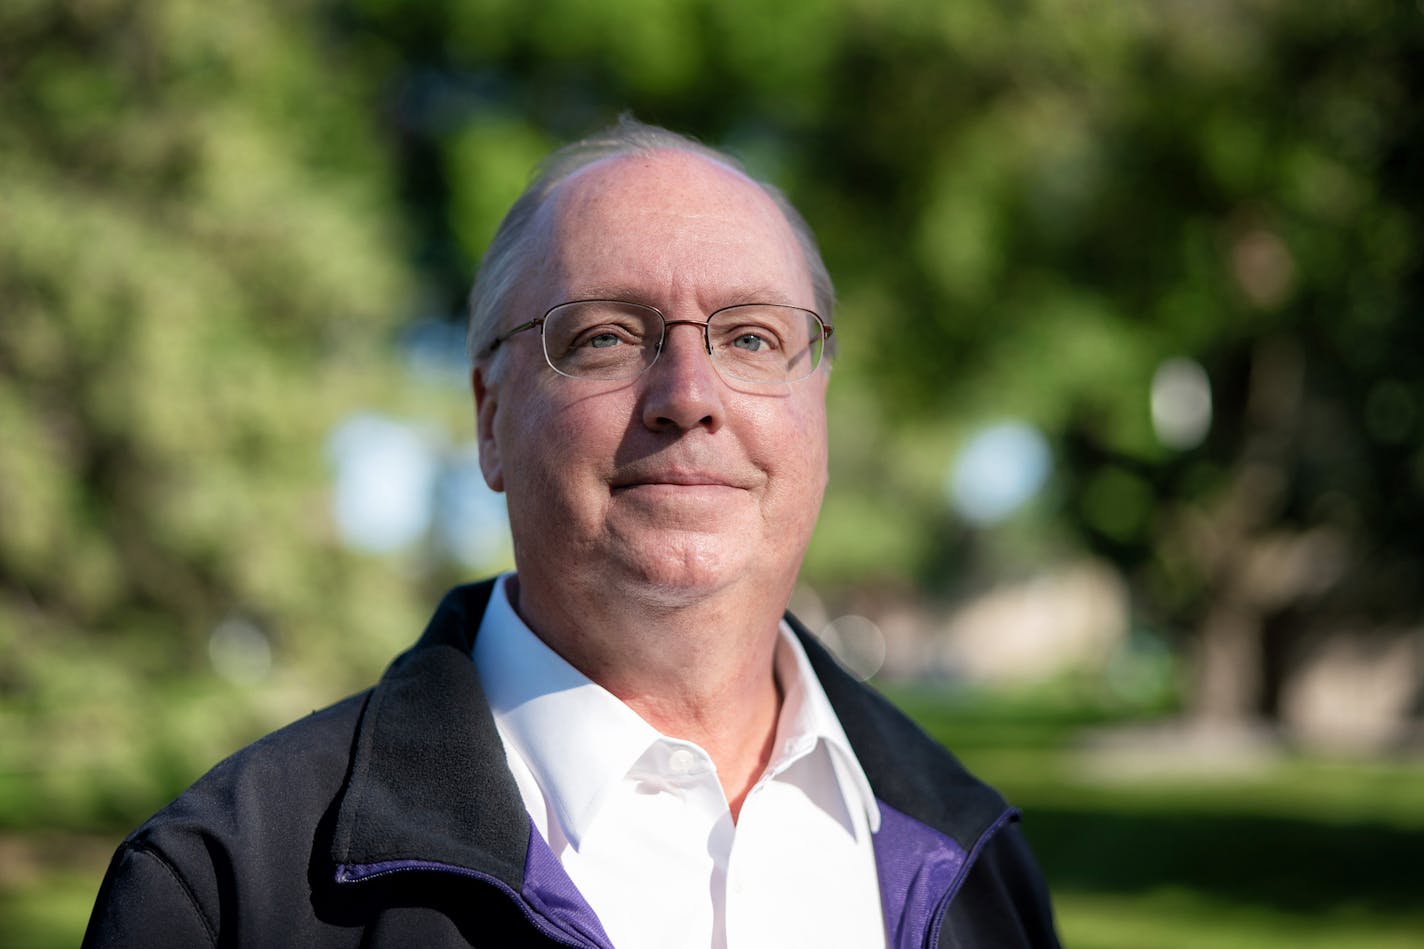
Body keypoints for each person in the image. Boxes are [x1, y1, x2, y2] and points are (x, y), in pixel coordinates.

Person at [84, 118, 1060, 948]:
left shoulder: (977, 861)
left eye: (753, 337)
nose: (688, 397)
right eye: (605, 336)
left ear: (818, 407)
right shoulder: (225, 892)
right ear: (489, 419)